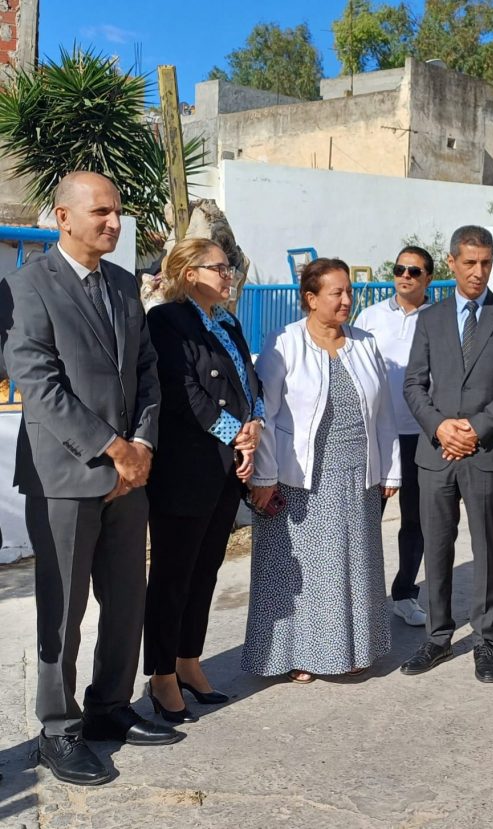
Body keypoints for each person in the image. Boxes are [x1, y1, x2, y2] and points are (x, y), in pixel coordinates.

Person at [0, 171, 181, 787]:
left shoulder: (125, 285)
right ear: (63, 217)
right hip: (65, 477)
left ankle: (109, 706)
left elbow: (148, 372)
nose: (113, 222)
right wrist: (113, 448)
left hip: (130, 477)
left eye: (118, 212)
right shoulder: (27, 286)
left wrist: (143, 445)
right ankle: (58, 728)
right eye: (101, 211)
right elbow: (39, 383)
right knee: (63, 610)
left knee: (126, 599)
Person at [242, 258, 400, 682]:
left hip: (357, 473)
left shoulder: (364, 343)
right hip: (298, 476)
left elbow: (383, 413)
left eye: (349, 291)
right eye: (337, 293)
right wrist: (264, 476)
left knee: (355, 563)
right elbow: (265, 414)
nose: (347, 300)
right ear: (311, 299)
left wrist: (390, 470)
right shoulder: (284, 342)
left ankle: (352, 649)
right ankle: (296, 655)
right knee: (301, 571)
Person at [400, 225, 493, 684]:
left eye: (486, 263)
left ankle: (485, 640)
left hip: (486, 451)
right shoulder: (431, 319)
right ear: (452, 263)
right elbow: (414, 384)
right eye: (470, 263)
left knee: (487, 546)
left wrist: (475, 428)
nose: (478, 272)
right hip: (437, 452)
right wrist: (440, 427)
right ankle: (437, 637)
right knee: (437, 546)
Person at [144, 238, 264, 722]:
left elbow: (249, 380)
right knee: (173, 575)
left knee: (206, 570)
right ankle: (160, 675)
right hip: (186, 468)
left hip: (225, 468)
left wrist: (254, 426)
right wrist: (236, 433)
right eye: (219, 267)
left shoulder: (228, 322)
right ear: (189, 273)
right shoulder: (167, 320)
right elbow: (183, 392)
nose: (228, 274)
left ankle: (188, 661)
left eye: (229, 266)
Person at [357, 245, 435, 628]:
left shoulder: (438, 320)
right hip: (376, 434)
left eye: (414, 271)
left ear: (428, 278)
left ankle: (405, 594)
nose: (405, 276)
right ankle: (364, 599)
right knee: (367, 519)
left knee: (415, 520)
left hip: (421, 435)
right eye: (400, 269)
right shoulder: (369, 318)